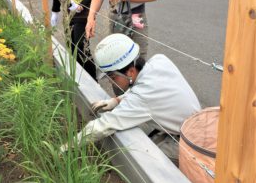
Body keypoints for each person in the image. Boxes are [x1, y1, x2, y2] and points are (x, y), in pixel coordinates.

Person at [61, 34, 201, 166]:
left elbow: (104, 126)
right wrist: (116, 101)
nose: (111, 82)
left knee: (144, 163)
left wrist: (66, 147)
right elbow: (146, 89)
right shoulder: (160, 61)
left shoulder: (142, 97)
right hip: (194, 125)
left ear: (131, 72)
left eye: (113, 77)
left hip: (192, 143)